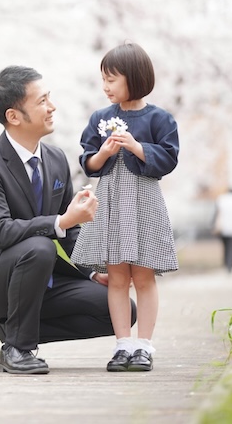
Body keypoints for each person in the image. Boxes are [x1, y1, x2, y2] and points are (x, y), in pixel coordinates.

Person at [0, 65, 136, 375]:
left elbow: (70, 231)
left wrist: (95, 272)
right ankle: (20, 349)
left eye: (49, 98)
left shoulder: (55, 159)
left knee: (121, 309)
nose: (51, 107)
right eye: (41, 101)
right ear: (14, 116)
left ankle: (14, 334)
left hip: (43, 276)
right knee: (40, 246)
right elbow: (0, 232)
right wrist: (61, 221)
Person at [71, 42, 179, 374]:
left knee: (144, 276)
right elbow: (88, 161)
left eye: (112, 79)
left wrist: (136, 146)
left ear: (134, 78)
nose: (105, 86)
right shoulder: (100, 118)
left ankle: (144, 345)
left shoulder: (160, 118)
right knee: (117, 276)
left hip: (143, 202)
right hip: (113, 200)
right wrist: (103, 153)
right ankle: (122, 344)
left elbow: (169, 158)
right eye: (103, 79)